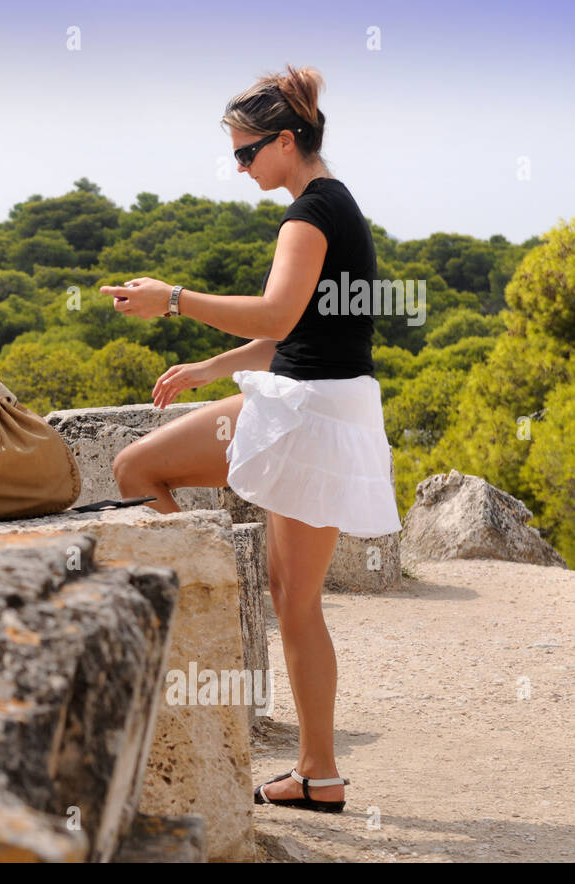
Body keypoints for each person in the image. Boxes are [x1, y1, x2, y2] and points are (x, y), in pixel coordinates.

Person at [99, 63, 403, 814]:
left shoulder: (306, 216)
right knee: (296, 601)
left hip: (300, 413)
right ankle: (319, 773)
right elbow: (298, 330)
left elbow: (273, 317)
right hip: (328, 408)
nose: (240, 168)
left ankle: (207, 601)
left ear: (287, 139)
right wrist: (212, 368)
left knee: (138, 465)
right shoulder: (338, 206)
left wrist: (171, 299)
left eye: (246, 153)